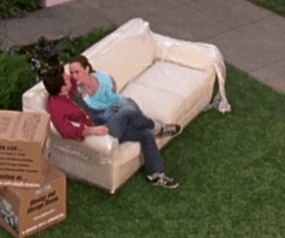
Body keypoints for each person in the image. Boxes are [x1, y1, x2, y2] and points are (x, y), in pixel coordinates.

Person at [42, 60, 181, 189]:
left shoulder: (68, 88)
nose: (69, 77)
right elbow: (65, 130)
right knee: (127, 111)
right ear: (62, 86)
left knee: (145, 133)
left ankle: (156, 175)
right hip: (102, 134)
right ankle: (158, 128)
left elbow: (87, 79)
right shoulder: (56, 106)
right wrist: (91, 131)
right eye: (66, 77)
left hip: (104, 121)